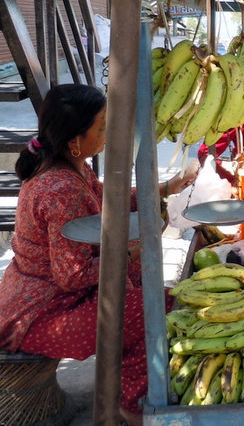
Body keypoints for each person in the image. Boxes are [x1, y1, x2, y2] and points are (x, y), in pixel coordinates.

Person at [0, 84, 197, 426]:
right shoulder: (61, 189)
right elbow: (72, 276)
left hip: (50, 296)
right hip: (41, 313)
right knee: (156, 306)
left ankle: (129, 383)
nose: (108, 133)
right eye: (102, 126)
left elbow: (108, 196)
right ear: (75, 138)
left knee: (139, 286)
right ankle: (130, 406)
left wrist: (168, 187)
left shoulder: (73, 165)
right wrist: (137, 252)